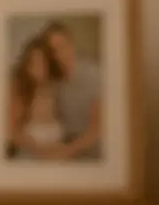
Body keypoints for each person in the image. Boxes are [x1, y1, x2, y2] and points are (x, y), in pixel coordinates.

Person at [40, 21, 103, 160]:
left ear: (72, 43)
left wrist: (65, 152)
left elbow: (97, 130)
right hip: (65, 144)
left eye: (62, 47)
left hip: (92, 152)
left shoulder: (94, 75)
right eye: (53, 50)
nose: (58, 55)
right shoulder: (54, 80)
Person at [6, 37, 64, 157]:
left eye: (43, 62)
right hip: (29, 157)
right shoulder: (20, 91)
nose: (39, 68)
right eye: (34, 63)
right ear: (27, 65)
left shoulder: (57, 90)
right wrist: (39, 149)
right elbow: (10, 132)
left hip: (56, 157)